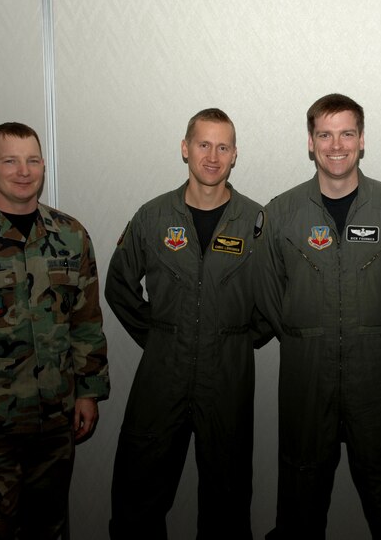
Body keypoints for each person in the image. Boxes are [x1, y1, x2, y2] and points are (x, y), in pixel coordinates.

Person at [255, 93, 381, 539]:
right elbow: (267, 291)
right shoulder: (280, 213)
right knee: (299, 502)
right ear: (311, 143)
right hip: (305, 380)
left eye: (347, 133)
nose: (337, 145)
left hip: (377, 381)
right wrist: (304, 338)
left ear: (362, 140)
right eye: (325, 134)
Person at [0, 122, 110, 539]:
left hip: (54, 424)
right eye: (10, 160)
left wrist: (88, 392)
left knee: (50, 529)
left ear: (43, 166)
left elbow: (85, 323)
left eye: (32, 160)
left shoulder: (70, 236)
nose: (23, 170)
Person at [105, 108, 270, 539]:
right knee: (136, 498)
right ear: (185, 149)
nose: (212, 156)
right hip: (162, 376)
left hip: (228, 377)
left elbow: (277, 299)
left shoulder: (257, 223)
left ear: (235, 155)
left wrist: (239, 340)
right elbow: (119, 286)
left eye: (222, 146)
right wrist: (158, 336)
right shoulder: (153, 216)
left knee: (228, 503)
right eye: (203, 144)